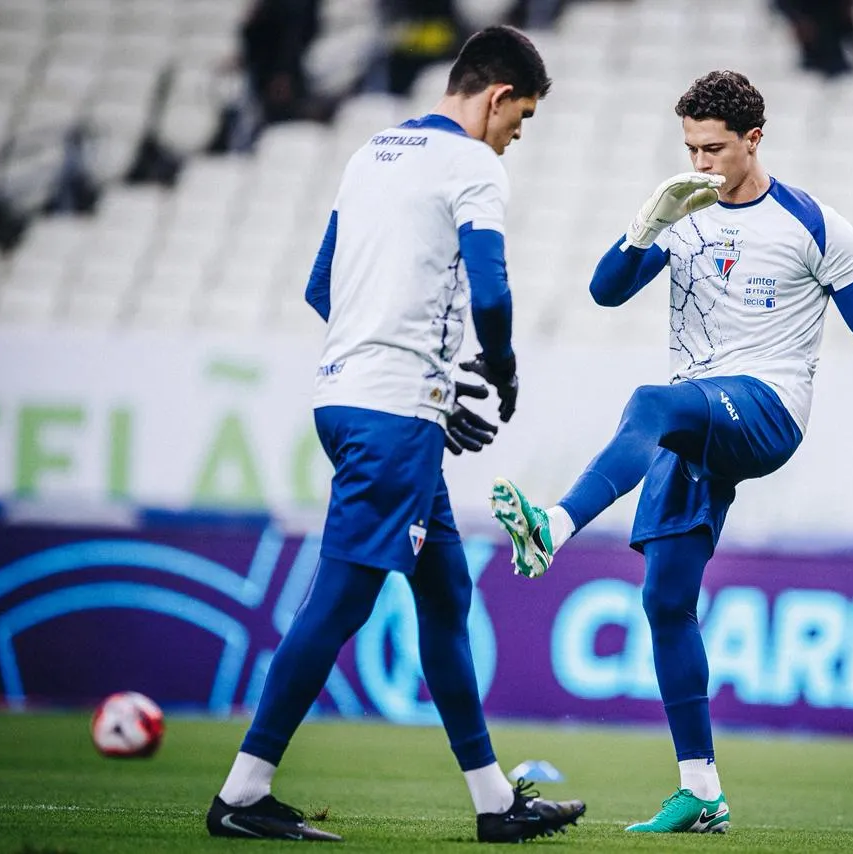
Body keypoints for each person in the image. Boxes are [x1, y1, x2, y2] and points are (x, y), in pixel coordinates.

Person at [488, 70, 853, 834]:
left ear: (753, 140)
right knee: (665, 600)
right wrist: (646, 223)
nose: (699, 163)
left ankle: (556, 527)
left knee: (649, 403)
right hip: (694, 422)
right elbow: (603, 293)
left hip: (763, 414)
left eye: (715, 149)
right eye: (690, 147)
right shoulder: (684, 207)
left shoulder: (813, 224)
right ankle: (703, 792)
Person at [205, 26, 585, 844]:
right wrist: (500, 372)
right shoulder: (473, 165)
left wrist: (422, 380)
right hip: (391, 418)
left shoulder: (372, 152)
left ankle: (494, 805)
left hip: (350, 400)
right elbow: (491, 290)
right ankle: (242, 792)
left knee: (446, 596)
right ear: (496, 97)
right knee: (338, 602)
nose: (514, 139)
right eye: (518, 120)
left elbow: (321, 287)